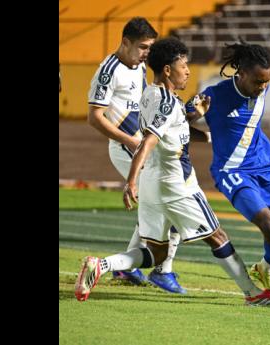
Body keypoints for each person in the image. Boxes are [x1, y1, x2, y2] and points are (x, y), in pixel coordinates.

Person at [75, 37, 270, 307]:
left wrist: (196, 120)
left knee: (155, 252)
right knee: (218, 237)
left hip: (153, 182)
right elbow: (149, 141)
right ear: (168, 69)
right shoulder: (168, 103)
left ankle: (101, 264)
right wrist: (130, 182)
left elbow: (174, 131)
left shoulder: (151, 95)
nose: (188, 70)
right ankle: (253, 294)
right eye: (184, 65)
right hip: (177, 183)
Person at [186, 40, 270, 309]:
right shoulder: (212, 96)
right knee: (268, 223)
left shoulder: (260, 86)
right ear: (242, 74)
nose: (263, 87)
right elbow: (175, 123)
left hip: (266, 165)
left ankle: (264, 267)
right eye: (258, 82)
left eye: (267, 82)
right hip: (233, 171)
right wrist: (202, 129)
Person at [87, 17, 185, 292]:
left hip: (144, 147)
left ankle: (128, 268)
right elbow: (94, 118)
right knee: (168, 201)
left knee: (161, 203)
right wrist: (130, 140)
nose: (147, 53)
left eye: (150, 48)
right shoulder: (108, 71)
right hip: (125, 149)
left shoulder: (141, 65)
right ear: (125, 42)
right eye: (143, 47)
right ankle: (162, 270)